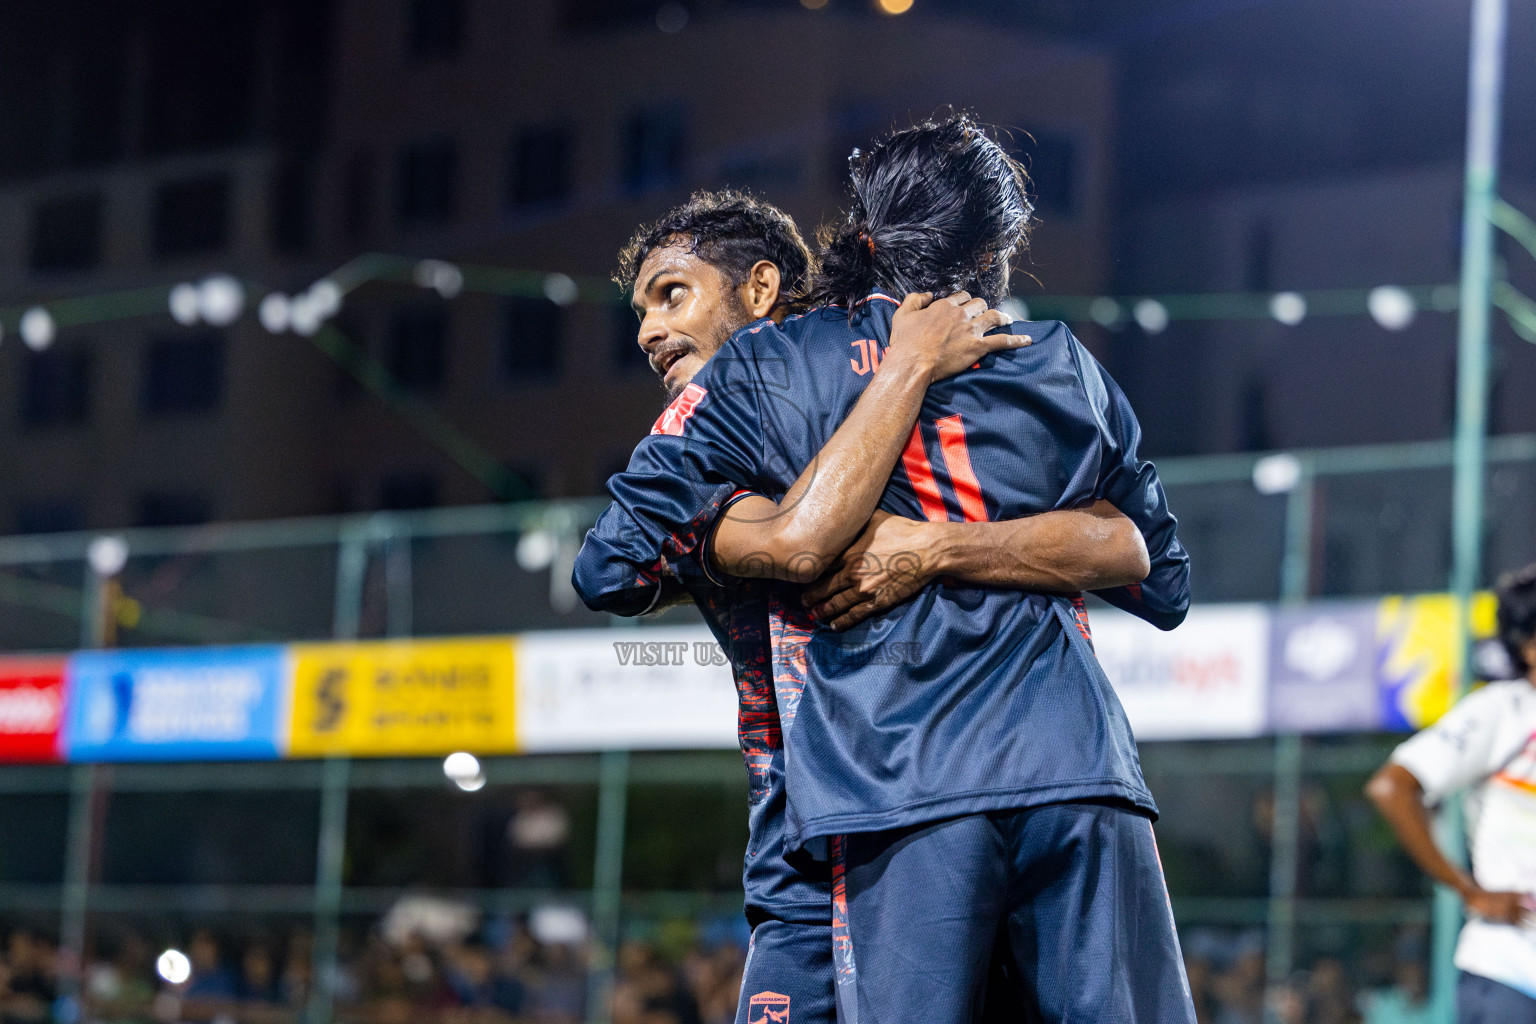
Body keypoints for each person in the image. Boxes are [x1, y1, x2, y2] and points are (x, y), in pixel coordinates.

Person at [576, 114, 1193, 1024]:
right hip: (1076, 771)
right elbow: (1154, 568)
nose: (652, 331)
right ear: (994, 249)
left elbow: (625, 562)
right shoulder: (1062, 364)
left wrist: (888, 541)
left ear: (774, 279)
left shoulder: (761, 380)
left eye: (672, 296)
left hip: (876, 807)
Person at [1366, 562, 1536, 1024]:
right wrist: (1471, 891)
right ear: (1529, 647)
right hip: (1509, 975)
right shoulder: (1506, 710)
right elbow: (1391, 787)